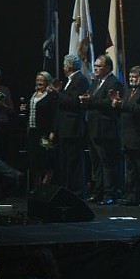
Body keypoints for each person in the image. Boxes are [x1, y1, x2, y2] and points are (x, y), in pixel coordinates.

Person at [80, 55, 123, 205]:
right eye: (95, 66)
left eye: (99, 66)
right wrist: (85, 100)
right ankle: (98, 192)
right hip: (92, 128)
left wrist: (90, 100)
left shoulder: (114, 83)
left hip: (105, 130)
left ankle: (109, 194)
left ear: (108, 67)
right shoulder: (96, 82)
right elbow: (91, 98)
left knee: (107, 163)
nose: (96, 68)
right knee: (96, 163)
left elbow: (108, 103)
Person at [112, 66, 140, 207]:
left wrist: (123, 105)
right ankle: (131, 196)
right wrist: (117, 105)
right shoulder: (128, 91)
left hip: (139, 137)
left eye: (134, 77)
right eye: (130, 76)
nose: (131, 79)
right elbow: (123, 109)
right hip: (127, 136)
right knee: (130, 170)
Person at [51, 54, 89, 196]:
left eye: (64, 65)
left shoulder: (80, 80)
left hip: (73, 127)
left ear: (69, 66)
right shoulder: (69, 80)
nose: (63, 67)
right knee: (66, 161)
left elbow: (73, 102)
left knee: (74, 161)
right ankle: (68, 189)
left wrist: (57, 93)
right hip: (64, 127)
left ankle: (77, 191)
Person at [21, 71, 58, 191]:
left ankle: (44, 187)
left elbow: (54, 115)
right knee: (34, 162)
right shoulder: (33, 95)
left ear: (47, 82)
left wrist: (52, 132)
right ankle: (36, 187)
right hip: (33, 132)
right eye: (37, 80)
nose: (39, 83)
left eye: (41, 80)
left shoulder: (50, 96)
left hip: (44, 132)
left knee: (45, 161)